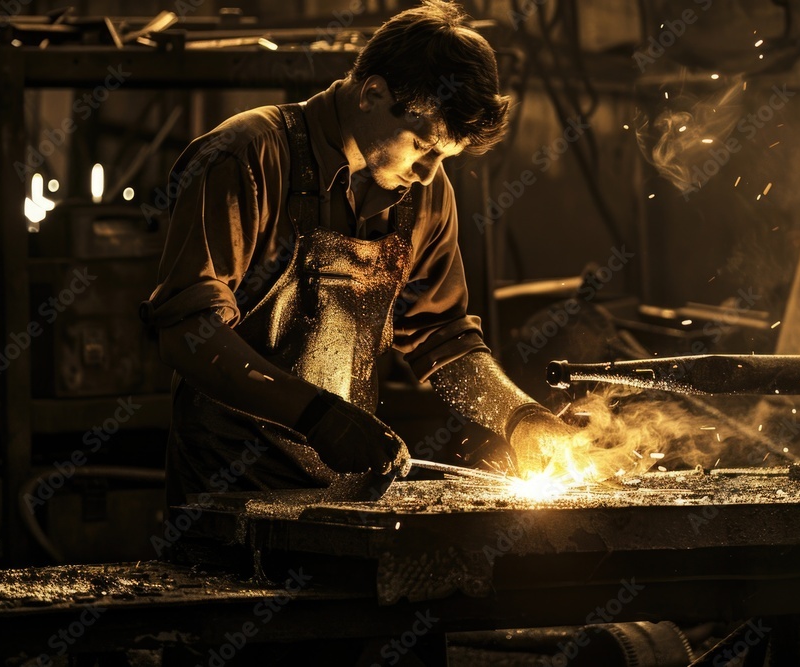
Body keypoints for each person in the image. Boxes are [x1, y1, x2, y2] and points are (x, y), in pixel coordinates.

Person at [142, 0, 575, 506]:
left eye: (445, 158)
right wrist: (316, 415)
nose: (431, 172)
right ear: (372, 93)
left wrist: (519, 417)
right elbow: (186, 333)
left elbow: (443, 339)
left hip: (346, 495)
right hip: (224, 493)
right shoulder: (248, 156)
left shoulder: (426, 196)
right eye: (422, 145)